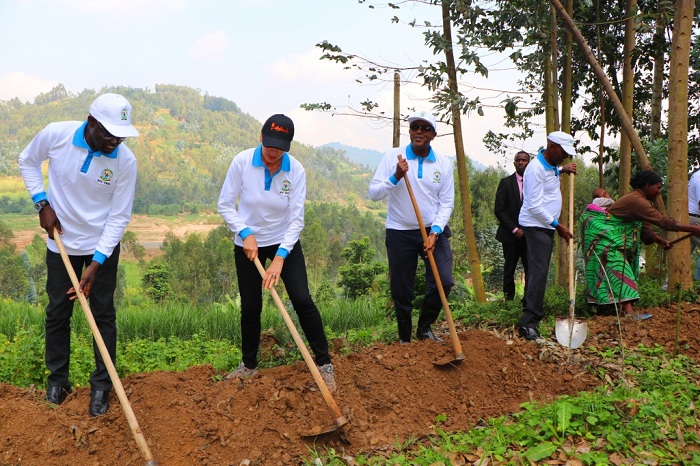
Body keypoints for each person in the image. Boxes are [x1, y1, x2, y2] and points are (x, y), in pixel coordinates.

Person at [18, 93, 139, 416]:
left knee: (102, 314)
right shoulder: (56, 134)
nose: (114, 141)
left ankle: (102, 386)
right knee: (58, 311)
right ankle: (58, 381)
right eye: (108, 133)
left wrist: (97, 262)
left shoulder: (125, 161)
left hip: (102, 246)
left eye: (120, 135)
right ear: (91, 123)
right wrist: (42, 204)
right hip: (61, 243)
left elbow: (119, 216)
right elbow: (27, 160)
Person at [218, 114, 336, 392]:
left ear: (288, 146)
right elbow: (225, 205)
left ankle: (325, 365)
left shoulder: (295, 170)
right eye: (270, 145)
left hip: (284, 242)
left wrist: (281, 257)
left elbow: (297, 219)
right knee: (250, 307)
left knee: (303, 299)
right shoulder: (242, 162)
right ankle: (248, 365)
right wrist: (245, 234)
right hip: (248, 243)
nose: (273, 153)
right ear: (260, 137)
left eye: (280, 148)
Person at [369, 111, 455, 343]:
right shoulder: (392, 157)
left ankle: (425, 328)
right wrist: (395, 176)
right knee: (401, 290)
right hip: (399, 232)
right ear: (410, 131)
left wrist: (435, 231)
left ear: (433, 135)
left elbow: (446, 203)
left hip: (432, 230)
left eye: (425, 128)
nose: (419, 131)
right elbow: (374, 193)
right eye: (415, 126)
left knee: (444, 281)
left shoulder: (443, 163)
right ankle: (404, 339)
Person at [581, 170, 700, 318]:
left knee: (619, 270)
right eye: (658, 187)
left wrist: (659, 240)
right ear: (647, 186)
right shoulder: (636, 200)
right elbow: (664, 222)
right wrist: (694, 228)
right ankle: (628, 312)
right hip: (605, 241)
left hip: (611, 242)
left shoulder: (639, 201)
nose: (659, 192)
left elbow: (645, 230)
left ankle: (614, 311)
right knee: (621, 270)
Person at [517, 131, 577, 342]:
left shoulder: (550, 165)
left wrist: (562, 170)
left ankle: (530, 312)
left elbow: (549, 176)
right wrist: (557, 225)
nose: (565, 157)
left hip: (545, 226)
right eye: (563, 153)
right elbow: (533, 205)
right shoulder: (535, 169)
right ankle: (528, 322)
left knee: (537, 271)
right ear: (552, 146)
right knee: (539, 273)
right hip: (537, 226)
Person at [494, 151, 530, 301]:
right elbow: (499, 209)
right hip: (510, 235)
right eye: (518, 160)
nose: (521, 163)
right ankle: (508, 300)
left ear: (529, 162)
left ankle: (528, 301)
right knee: (509, 269)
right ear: (514, 163)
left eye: (524, 160)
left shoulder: (534, 183)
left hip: (530, 235)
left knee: (531, 269)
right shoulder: (505, 182)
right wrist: (514, 229)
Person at [688, 169, 700, 279]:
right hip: (695, 220)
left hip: (691, 218)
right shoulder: (699, 178)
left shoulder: (696, 175)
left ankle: (668, 287)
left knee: (683, 255)